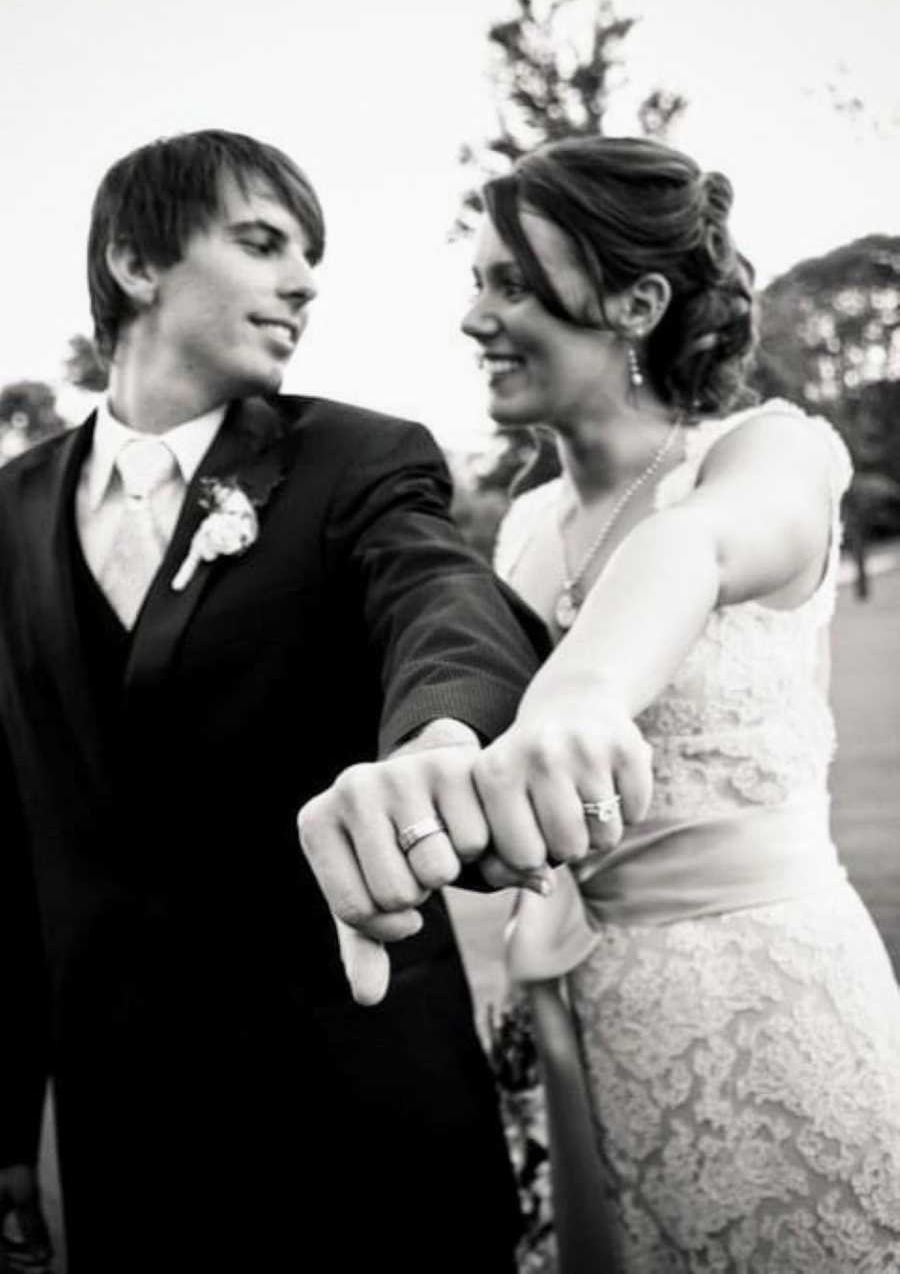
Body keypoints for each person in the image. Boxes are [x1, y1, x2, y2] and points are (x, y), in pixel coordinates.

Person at [302, 136, 900, 1271]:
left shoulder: (767, 455)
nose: (476, 319)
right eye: (475, 282)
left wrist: (576, 692)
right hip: (573, 1007)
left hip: (768, 1008)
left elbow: (695, 545)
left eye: (513, 284)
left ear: (638, 299)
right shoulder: (522, 529)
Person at [0, 128, 560, 1274]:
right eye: (261, 243)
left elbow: (441, 597)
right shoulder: (6, 513)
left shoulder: (358, 461)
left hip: (361, 1113)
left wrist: (444, 732)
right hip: (127, 1137)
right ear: (134, 264)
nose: (303, 280)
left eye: (310, 254)